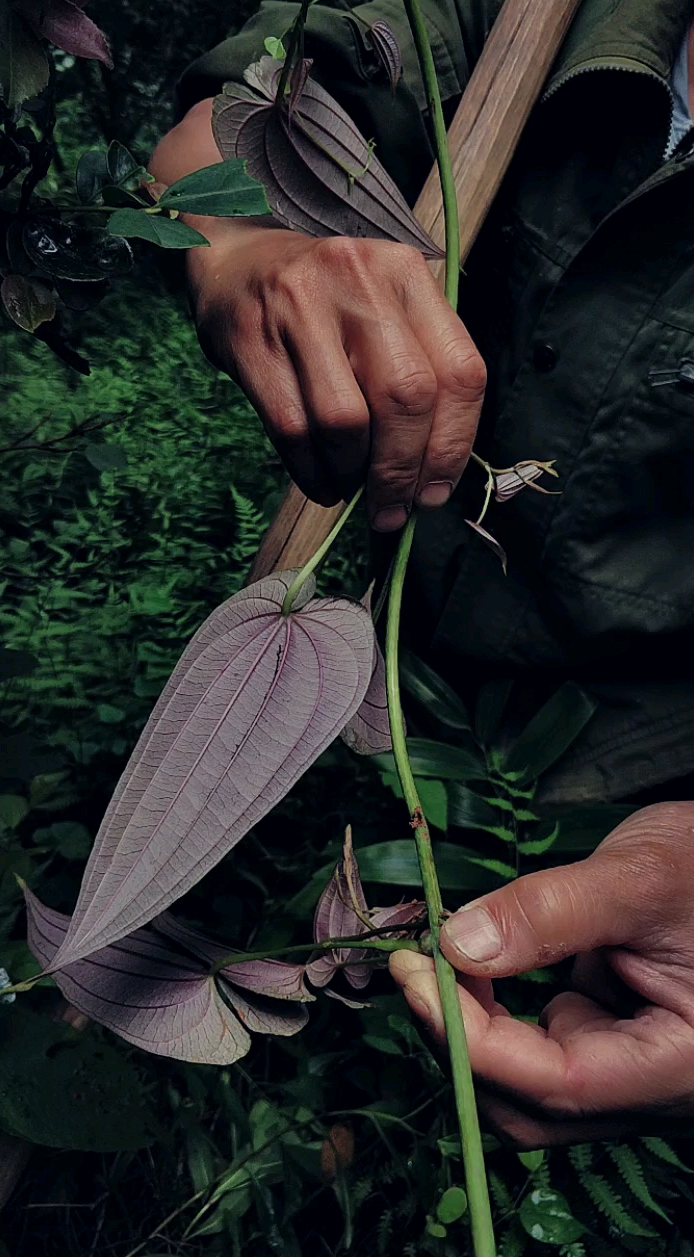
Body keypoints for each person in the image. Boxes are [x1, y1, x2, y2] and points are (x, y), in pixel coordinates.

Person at [150, 0, 694, 1145]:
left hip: (629, 798)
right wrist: (252, 249)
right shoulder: (538, 14)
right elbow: (232, 115)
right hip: (375, 690)